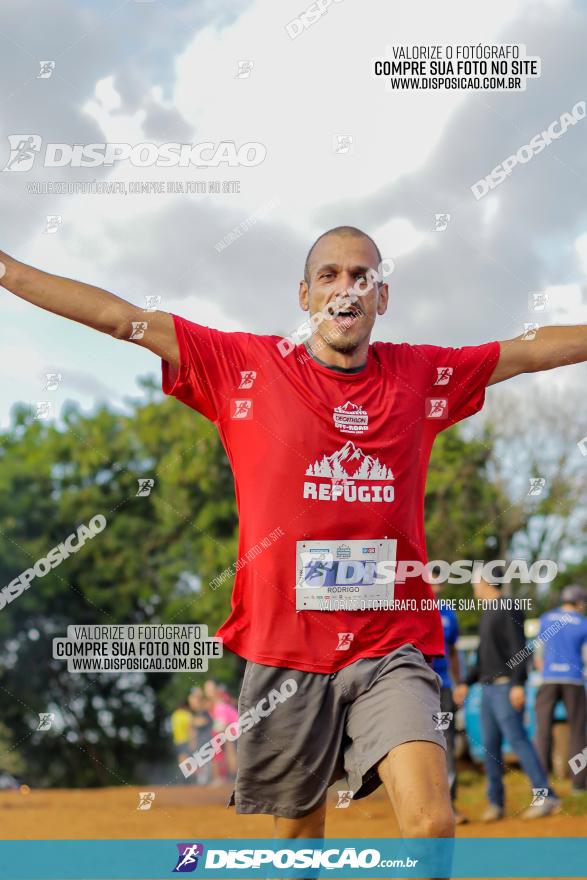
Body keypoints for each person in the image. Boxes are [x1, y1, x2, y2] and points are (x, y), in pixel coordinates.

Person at [3, 227, 586, 846]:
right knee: (299, 844)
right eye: (330, 275)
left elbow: (525, 351)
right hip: (285, 651)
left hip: (389, 644)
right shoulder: (244, 367)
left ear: (381, 298)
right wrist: (8, 270)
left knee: (432, 823)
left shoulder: (422, 376)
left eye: (362, 276)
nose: (346, 288)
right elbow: (124, 320)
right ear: (304, 294)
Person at [456, 578, 559, 820]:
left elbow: (520, 648)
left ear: (486, 583)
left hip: (505, 688)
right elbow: (483, 656)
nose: (474, 588)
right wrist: (465, 682)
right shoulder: (487, 612)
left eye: (476, 583)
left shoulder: (508, 607)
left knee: (518, 740)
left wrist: (518, 684)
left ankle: (547, 796)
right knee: (489, 747)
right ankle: (496, 803)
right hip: (487, 690)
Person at [534, 584, 587, 793]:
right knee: (578, 732)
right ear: (579, 602)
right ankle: (579, 783)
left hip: (548, 680)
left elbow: (538, 652)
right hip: (573, 680)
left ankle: (540, 784)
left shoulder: (546, 618)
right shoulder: (583, 624)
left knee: (542, 731)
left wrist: (545, 670)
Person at [430, 583, 467, 825]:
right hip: (414, 688)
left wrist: (459, 682)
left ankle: (449, 804)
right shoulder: (407, 608)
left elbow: (453, 651)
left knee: (446, 744)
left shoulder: (447, 613)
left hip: (443, 688)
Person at [188, 687, 214, 786]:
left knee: (205, 772)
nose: (191, 702)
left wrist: (192, 722)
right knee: (201, 772)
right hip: (201, 745)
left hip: (206, 745)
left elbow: (203, 721)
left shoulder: (204, 711)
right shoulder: (197, 713)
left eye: (194, 699)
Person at [170, 699, 192, 773]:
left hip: (177, 740)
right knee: (187, 758)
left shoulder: (174, 715)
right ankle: (188, 777)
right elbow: (190, 727)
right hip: (185, 740)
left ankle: (183, 776)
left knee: (181, 758)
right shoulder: (186, 714)